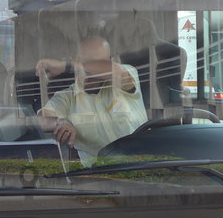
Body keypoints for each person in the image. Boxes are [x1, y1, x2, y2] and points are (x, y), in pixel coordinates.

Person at [36, 34, 147, 162]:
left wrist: (67, 66)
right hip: (98, 172)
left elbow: (119, 73)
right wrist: (61, 122)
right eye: (84, 62)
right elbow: (43, 118)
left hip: (143, 166)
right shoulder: (68, 96)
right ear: (76, 60)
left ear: (110, 61)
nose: (90, 71)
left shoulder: (127, 74)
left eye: (98, 63)